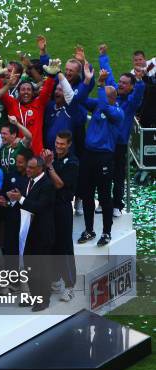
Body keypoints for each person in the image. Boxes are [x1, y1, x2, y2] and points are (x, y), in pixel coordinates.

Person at [77, 70, 124, 247]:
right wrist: (87, 80)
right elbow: (80, 99)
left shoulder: (118, 113)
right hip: (89, 155)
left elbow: (104, 107)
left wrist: (102, 85)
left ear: (112, 97)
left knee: (104, 196)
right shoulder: (99, 104)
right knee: (87, 194)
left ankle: (106, 232)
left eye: (105, 93)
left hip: (104, 157)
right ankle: (89, 229)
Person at [98, 46, 146, 216]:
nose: (121, 85)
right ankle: (103, 203)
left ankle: (117, 205)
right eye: (120, 82)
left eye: (125, 83)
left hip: (119, 144)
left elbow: (139, 95)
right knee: (103, 174)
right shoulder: (114, 94)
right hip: (105, 142)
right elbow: (109, 75)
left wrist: (140, 81)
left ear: (132, 87)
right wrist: (103, 56)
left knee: (118, 176)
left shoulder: (131, 103)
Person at [7, 157, 56, 312]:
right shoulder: (30, 181)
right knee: (30, 267)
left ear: (40, 169)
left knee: (42, 267)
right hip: (28, 232)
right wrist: (14, 199)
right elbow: (27, 201)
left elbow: (39, 207)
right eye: (27, 167)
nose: (27, 169)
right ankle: (34, 296)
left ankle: (44, 299)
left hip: (42, 233)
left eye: (31, 167)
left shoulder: (47, 184)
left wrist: (20, 198)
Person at [0, 58, 59, 155]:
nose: (26, 92)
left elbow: (46, 91)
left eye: (29, 90)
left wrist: (51, 76)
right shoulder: (13, 104)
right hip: (17, 152)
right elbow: (0, 94)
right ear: (18, 92)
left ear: (33, 93)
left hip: (36, 152)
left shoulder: (38, 104)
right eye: (23, 90)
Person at [43, 131, 80, 302]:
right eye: (57, 142)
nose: (58, 146)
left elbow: (59, 184)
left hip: (63, 208)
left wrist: (49, 166)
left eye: (62, 144)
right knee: (51, 243)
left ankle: (70, 286)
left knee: (64, 247)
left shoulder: (72, 162)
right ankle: (55, 278)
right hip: (49, 208)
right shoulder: (53, 158)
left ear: (69, 144)